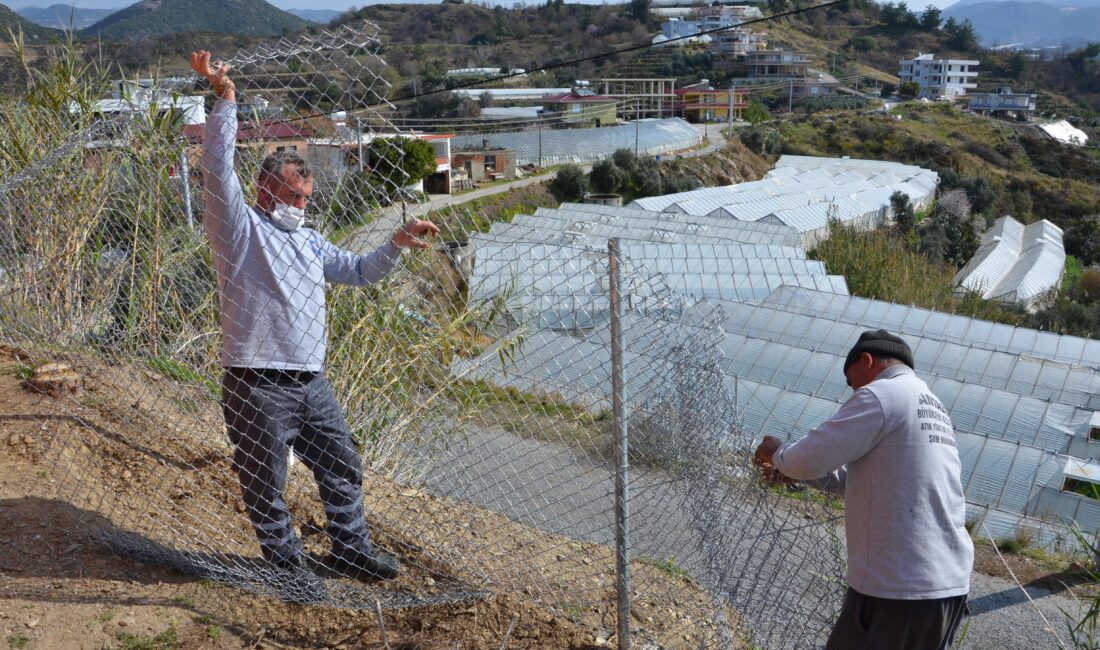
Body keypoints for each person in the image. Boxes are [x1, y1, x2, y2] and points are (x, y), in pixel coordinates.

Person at [190, 51, 440, 596]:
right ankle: (287, 568)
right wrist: (225, 99)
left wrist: (397, 243)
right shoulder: (239, 229)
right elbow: (215, 166)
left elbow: (356, 271)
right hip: (257, 381)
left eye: (307, 197)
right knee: (265, 481)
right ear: (263, 192)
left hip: (311, 380)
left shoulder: (306, 239)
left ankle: (351, 549)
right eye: (292, 196)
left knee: (342, 465)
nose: (302, 204)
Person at [754, 330, 973, 650]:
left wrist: (777, 454)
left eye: (850, 379)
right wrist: (798, 475)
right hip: (943, 586)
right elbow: (855, 477)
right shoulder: (930, 403)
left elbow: (810, 458)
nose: (852, 389)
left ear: (866, 361)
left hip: (898, 587)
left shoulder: (881, 395)